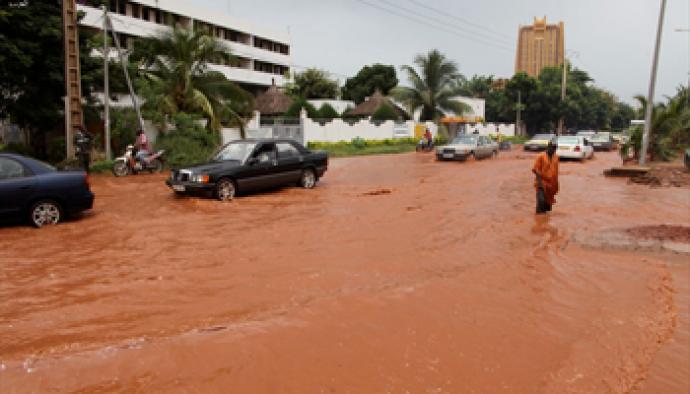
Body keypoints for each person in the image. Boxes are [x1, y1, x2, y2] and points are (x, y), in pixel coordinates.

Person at [532, 141, 559, 214]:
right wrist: (540, 184)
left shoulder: (556, 157)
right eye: (552, 148)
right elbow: (536, 170)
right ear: (548, 147)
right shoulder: (541, 156)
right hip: (541, 182)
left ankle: (545, 220)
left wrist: (556, 184)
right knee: (541, 201)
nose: (553, 150)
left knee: (547, 204)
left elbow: (556, 171)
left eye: (555, 148)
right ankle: (539, 219)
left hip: (551, 184)